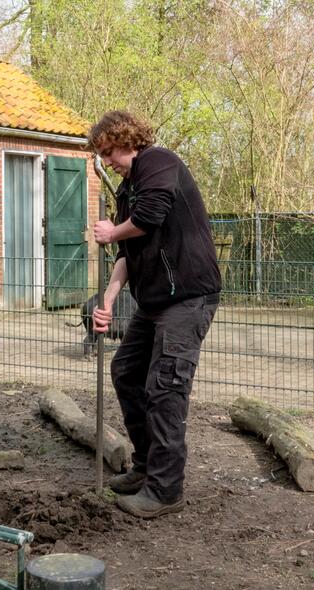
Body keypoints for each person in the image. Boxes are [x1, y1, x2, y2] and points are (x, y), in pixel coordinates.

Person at [89, 110, 221, 519]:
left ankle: (165, 491)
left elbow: (150, 218)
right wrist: (109, 298)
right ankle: (146, 468)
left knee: (165, 388)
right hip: (154, 303)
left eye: (109, 151)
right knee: (126, 371)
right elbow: (128, 253)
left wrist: (112, 231)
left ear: (127, 140)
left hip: (187, 298)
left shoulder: (159, 162)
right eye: (103, 155)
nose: (107, 161)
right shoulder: (130, 186)